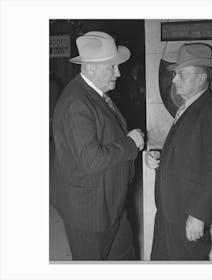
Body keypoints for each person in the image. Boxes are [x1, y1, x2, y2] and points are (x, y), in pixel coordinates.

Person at [52, 31, 144, 260]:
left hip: (110, 201)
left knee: (125, 256)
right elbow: (91, 160)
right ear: (91, 67)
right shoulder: (77, 103)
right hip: (89, 212)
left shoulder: (95, 93)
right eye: (112, 67)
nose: (119, 73)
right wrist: (131, 143)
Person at [146, 43, 212, 260]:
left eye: (181, 74)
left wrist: (198, 215)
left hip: (187, 214)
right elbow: (186, 153)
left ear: (201, 78)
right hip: (168, 211)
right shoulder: (187, 107)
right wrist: (159, 157)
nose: (174, 80)